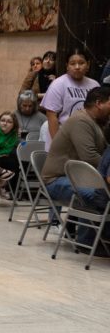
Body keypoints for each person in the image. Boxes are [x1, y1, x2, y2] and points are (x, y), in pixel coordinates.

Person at [41, 87, 110, 250]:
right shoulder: (81, 120)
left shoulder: (96, 122)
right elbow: (90, 156)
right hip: (56, 180)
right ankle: (87, 242)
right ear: (99, 103)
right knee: (98, 194)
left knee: (101, 190)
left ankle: (95, 236)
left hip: (77, 177)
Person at [41, 48, 99, 140]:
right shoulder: (58, 84)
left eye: (81, 63)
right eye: (72, 64)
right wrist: (57, 144)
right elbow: (52, 116)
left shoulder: (94, 85)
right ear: (67, 66)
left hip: (86, 138)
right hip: (63, 139)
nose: (77, 67)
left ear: (88, 65)